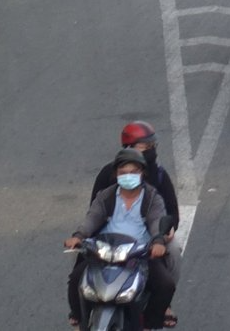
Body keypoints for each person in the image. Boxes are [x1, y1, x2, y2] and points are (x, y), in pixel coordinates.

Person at [66, 125, 181, 329]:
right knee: (76, 278)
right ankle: (79, 316)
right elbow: (92, 216)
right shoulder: (107, 195)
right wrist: (79, 235)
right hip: (105, 250)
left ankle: (151, 323)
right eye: (123, 172)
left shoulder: (152, 197)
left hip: (139, 253)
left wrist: (158, 241)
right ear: (116, 174)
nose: (128, 176)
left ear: (142, 174)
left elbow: (158, 219)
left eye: (133, 172)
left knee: (165, 285)